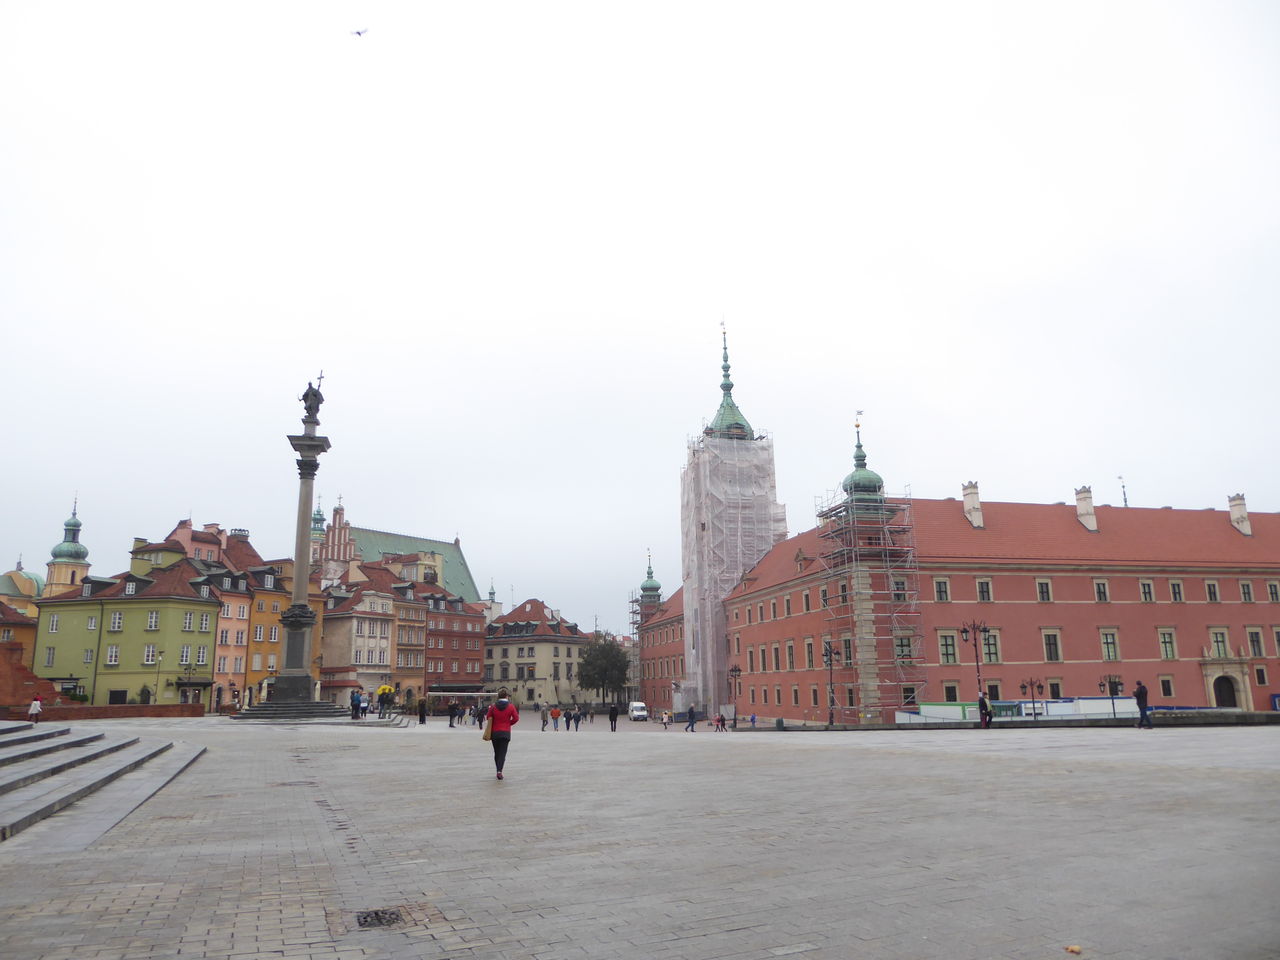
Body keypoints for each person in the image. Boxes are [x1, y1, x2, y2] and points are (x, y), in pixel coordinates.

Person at [485, 688, 520, 780]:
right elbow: (516, 718)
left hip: (495, 733)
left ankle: (498, 770)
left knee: (496, 752)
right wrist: (509, 723)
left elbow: (488, 717)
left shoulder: (493, 706)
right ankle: (499, 771)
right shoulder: (511, 706)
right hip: (505, 733)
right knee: (502, 753)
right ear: (506, 697)